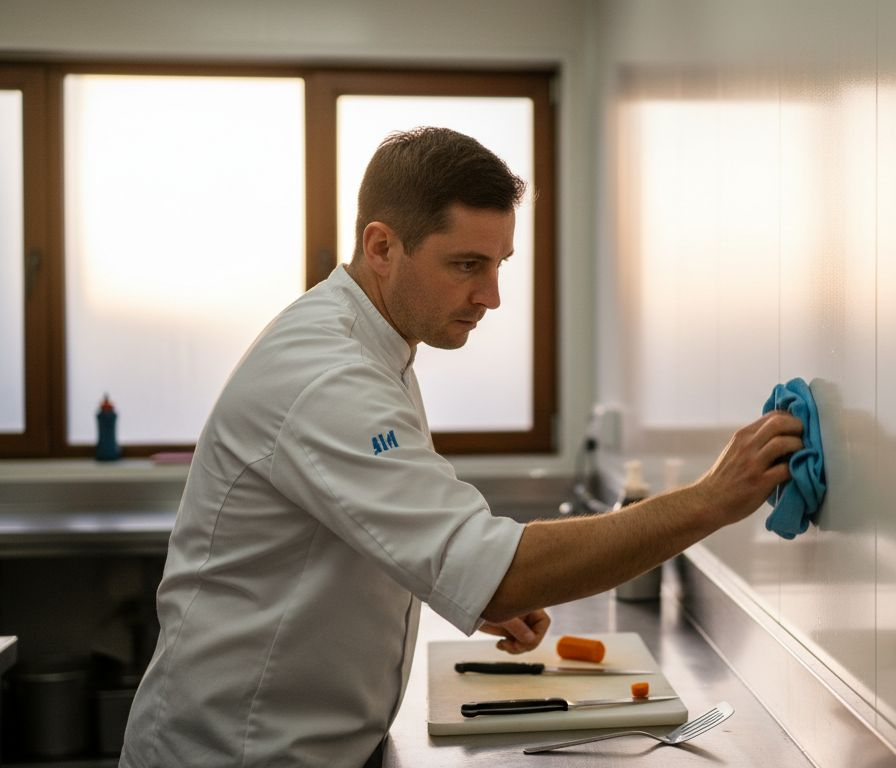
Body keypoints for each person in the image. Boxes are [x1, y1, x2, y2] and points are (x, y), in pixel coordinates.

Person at [118, 127, 802, 768]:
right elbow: (495, 567)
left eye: (500, 263)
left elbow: (364, 520)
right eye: (466, 265)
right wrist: (711, 500)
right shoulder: (331, 376)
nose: (492, 296)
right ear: (382, 247)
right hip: (237, 751)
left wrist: (468, 589)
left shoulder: (373, 346)